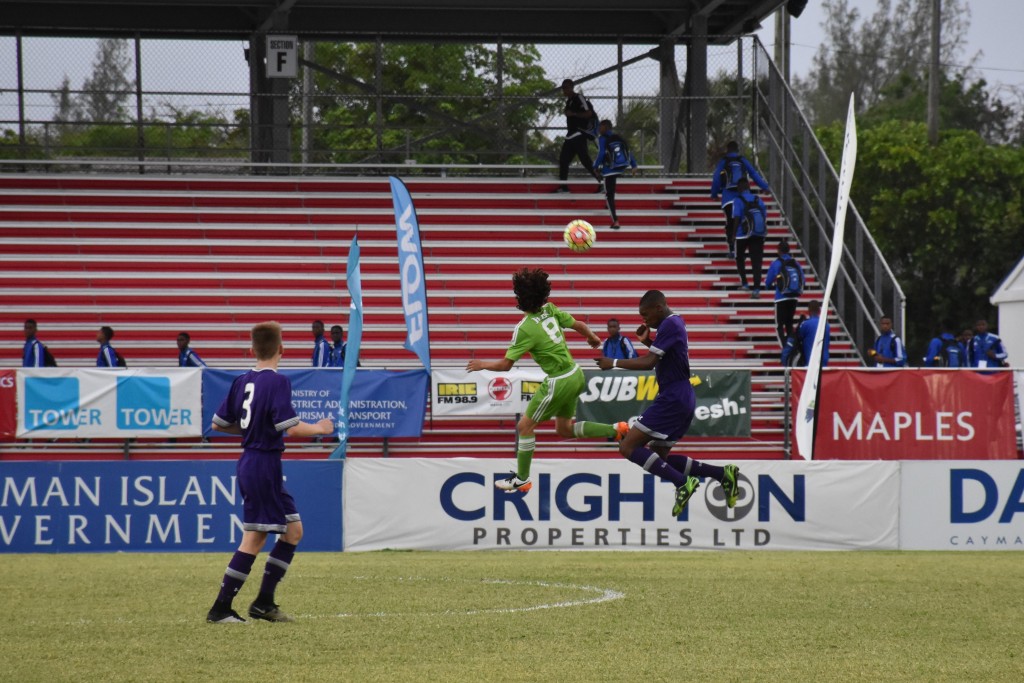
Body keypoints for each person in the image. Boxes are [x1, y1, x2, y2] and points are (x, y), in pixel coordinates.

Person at [206, 321, 335, 624]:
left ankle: (264, 602)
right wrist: (320, 428)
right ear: (282, 349)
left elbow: (217, 424)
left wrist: (251, 428)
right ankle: (221, 608)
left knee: (293, 532)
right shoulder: (277, 382)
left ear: (252, 350)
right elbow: (289, 425)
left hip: (257, 461)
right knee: (254, 538)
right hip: (262, 462)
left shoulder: (242, 380)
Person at [465, 268, 627, 493]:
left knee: (524, 426)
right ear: (543, 294)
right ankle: (617, 429)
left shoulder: (524, 329)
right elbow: (578, 324)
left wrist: (482, 365)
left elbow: (505, 365)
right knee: (564, 430)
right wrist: (592, 337)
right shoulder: (550, 309)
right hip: (576, 373)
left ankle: (522, 478)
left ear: (520, 298)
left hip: (559, 380)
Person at [595, 290, 740, 516]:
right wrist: (648, 341)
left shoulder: (670, 325)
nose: (644, 320)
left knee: (627, 446)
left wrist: (612, 362)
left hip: (673, 397)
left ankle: (683, 484)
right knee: (660, 458)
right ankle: (722, 474)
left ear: (659, 308)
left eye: (646, 315)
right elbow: (664, 358)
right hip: (682, 396)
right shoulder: (673, 323)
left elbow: (648, 363)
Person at [710, 140, 770, 258]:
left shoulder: (724, 161)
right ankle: (744, 247)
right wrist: (764, 187)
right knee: (743, 220)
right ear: (737, 150)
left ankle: (732, 249)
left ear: (727, 150)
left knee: (730, 222)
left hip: (728, 198)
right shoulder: (742, 160)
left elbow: (716, 178)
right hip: (742, 198)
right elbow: (754, 174)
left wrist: (714, 194)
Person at [554, 79, 602, 194]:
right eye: (562, 88)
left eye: (565, 87)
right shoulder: (569, 101)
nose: (563, 90)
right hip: (571, 135)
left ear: (571, 87)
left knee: (585, 161)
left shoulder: (578, 98)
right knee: (564, 160)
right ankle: (564, 187)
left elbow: (589, 113)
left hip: (579, 134)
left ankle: (603, 183)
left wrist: (573, 113)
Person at [592, 119, 637, 229]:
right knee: (610, 191)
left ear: (605, 127)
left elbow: (601, 153)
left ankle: (615, 221)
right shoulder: (618, 137)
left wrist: (595, 166)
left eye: (600, 127)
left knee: (609, 195)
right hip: (620, 167)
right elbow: (628, 151)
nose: (598, 129)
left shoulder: (602, 138)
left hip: (609, 170)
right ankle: (608, 205)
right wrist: (634, 164)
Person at [731, 178, 768, 298]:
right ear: (748, 187)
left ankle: (745, 283)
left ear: (739, 188)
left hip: (742, 234)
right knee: (756, 262)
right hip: (758, 234)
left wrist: (733, 234)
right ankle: (756, 289)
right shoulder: (758, 199)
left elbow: (736, 218)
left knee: (739, 257)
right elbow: (764, 215)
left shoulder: (737, 200)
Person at [764, 241, 805, 347]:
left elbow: (767, 282)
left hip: (781, 298)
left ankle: (784, 350)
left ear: (778, 251)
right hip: (793, 297)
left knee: (779, 325)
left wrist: (770, 286)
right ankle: (791, 347)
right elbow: (803, 280)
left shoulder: (776, 263)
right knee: (789, 324)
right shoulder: (796, 263)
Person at [782, 300, 830, 367]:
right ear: (819, 310)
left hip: (810, 361)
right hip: (823, 361)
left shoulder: (805, 324)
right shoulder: (826, 325)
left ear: (809, 311)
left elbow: (798, 337)